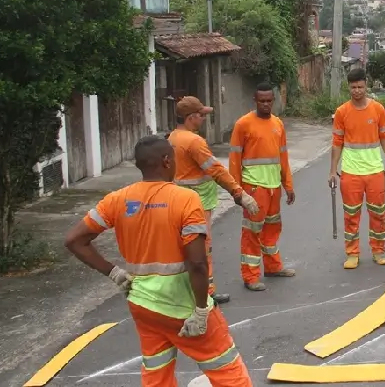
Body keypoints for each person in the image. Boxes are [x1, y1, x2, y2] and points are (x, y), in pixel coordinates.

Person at [64, 135, 253, 386]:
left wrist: (114, 273)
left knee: (157, 372)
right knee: (227, 371)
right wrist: (200, 310)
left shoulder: (116, 200)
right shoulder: (185, 199)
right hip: (181, 305)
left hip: (143, 304)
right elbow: (197, 263)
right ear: (166, 161)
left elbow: (74, 240)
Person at [167, 96, 260, 304]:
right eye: (200, 115)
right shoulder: (194, 142)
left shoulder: (173, 137)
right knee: (202, 247)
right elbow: (216, 170)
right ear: (191, 117)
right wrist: (239, 193)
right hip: (197, 203)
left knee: (184, 246)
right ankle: (206, 292)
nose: (203, 119)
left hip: (178, 200)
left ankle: (186, 290)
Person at [229, 83, 296, 291]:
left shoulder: (278, 124)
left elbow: (283, 157)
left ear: (273, 100)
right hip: (254, 189)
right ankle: (250, 277)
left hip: (274, 187)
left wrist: (288, 185)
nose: (266, 104)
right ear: (255, 101)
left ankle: (274, 267)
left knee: (272, 228)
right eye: (262, 101)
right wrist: (237, 191)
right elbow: (234, 159)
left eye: (269, 101)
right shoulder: (243, 125)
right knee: (252, 233)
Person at [328, 69, 385, 269]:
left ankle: (378, 250)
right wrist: (333, 171)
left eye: (360, 86)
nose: (357, 90)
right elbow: (336, 143)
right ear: (348, 87)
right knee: (351, 215)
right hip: (350, 172)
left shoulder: (378, 110)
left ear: (366, 86)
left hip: (375, 171)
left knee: (378, 214)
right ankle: (352, 253)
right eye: (353, 87)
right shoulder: (342, 112)